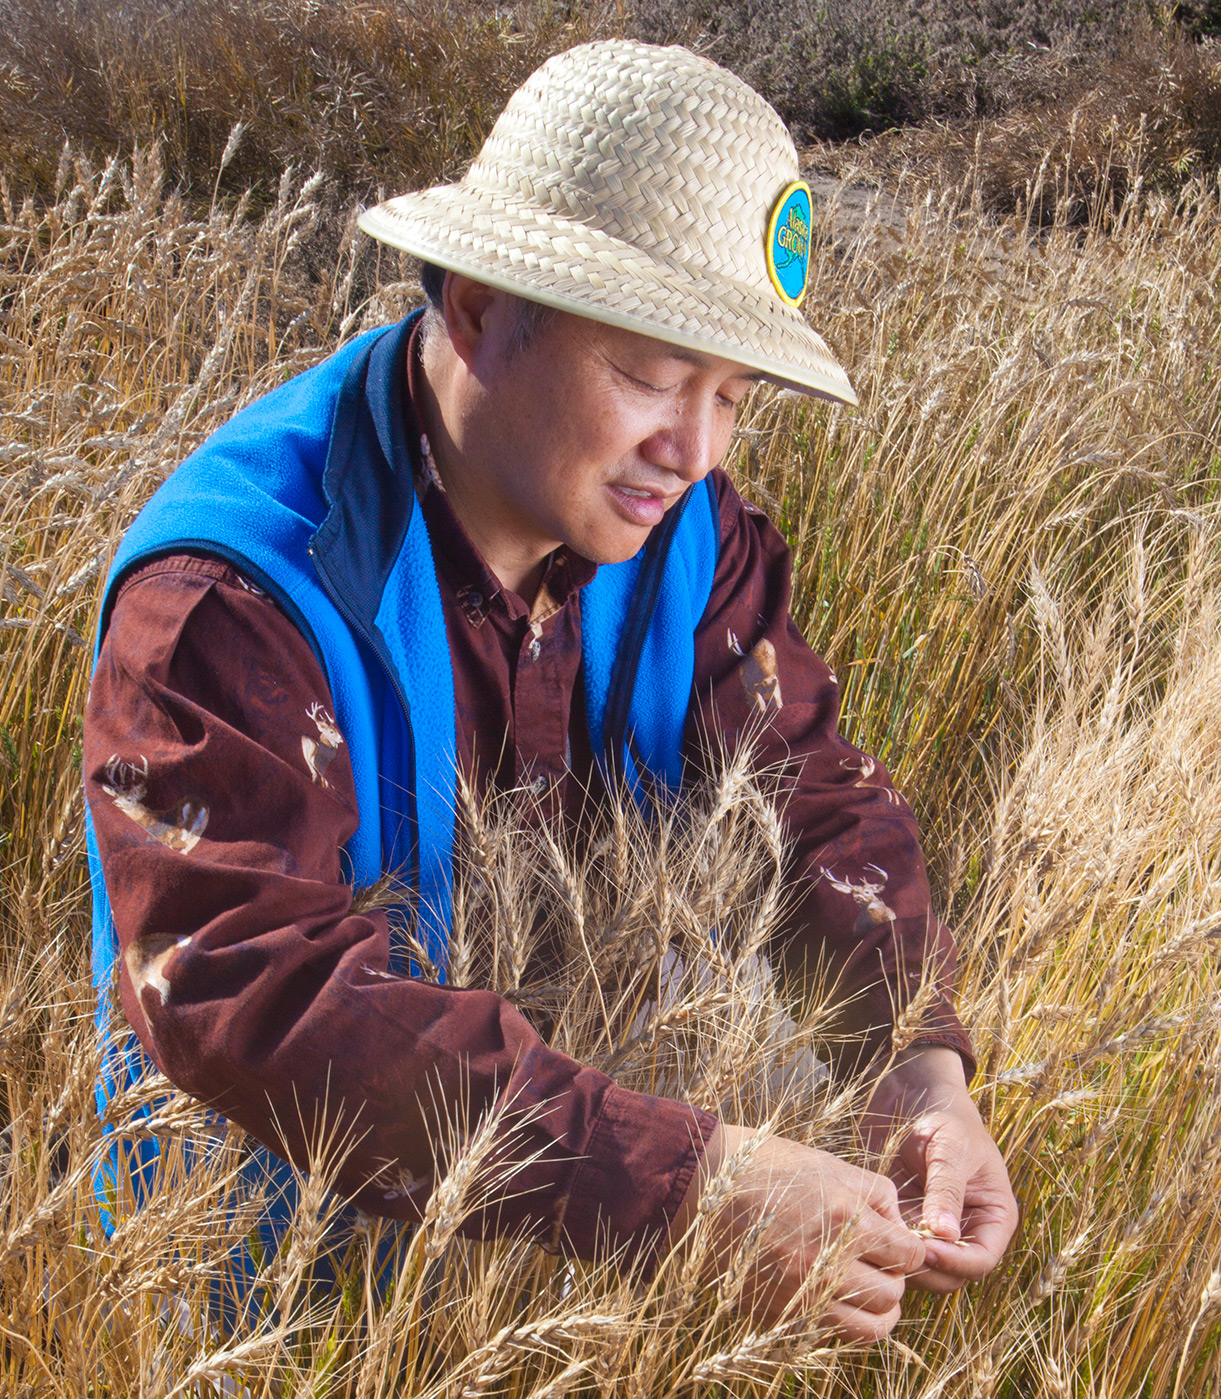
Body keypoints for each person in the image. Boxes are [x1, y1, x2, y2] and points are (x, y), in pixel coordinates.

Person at [83, 40, 1016, 1341]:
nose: (689, 449)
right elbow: (253, 990)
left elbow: (809, 794)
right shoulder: (234, 594)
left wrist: (917, 1062)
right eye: (646, 373)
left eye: (731, 395)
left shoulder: (697, 539)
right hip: (252, 1297)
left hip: (543, 1278)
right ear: (475, 307)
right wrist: (686, 1190)